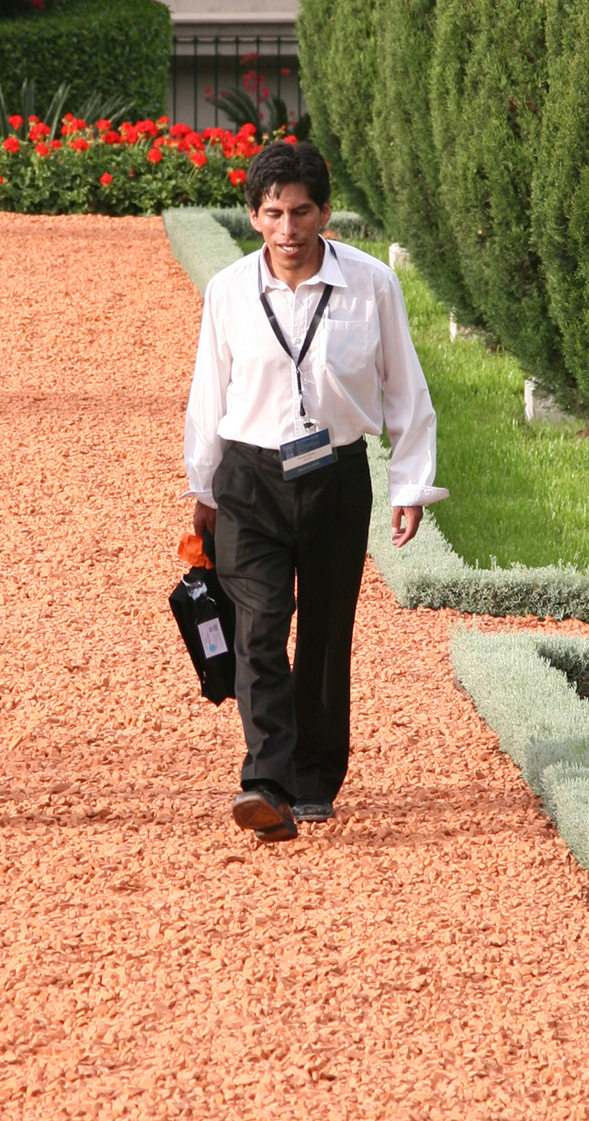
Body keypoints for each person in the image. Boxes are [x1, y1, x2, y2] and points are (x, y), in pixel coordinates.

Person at [185, 138, 445, 842]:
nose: (289, 229)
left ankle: (314, 776)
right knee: (259, 628)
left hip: (334, 476)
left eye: (302, 212)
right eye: (273, 213)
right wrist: (201, 489)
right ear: (253, 217)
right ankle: (265, 780)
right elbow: (209, 393)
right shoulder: (229, 292)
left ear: (324, 213)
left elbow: (405, 389)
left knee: (325, 634)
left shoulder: (371, 286)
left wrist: (410, 483)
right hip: (247, 479)